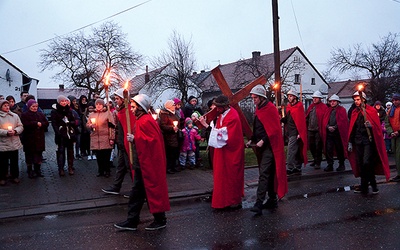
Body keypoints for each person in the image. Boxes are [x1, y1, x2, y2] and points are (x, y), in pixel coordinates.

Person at [114, 94, 170, 231]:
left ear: (140, 108)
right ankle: (136, 220)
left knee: (142, 192)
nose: (131, 109)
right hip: (143, 163)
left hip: (147, 164)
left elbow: (151, 141)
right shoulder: (143, 120)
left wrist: (135, 138)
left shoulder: (145, 121)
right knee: (140, 193)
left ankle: (140, 220)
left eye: (133, 107)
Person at [246, 85, 287, 215]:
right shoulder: (259, 109)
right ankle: (272, 199)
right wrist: (252, 139)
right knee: (269, 174)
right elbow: (258, 127)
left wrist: (263, 140)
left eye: (255, 98)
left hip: (270, 147)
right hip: (261, 146)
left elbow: (274, 130)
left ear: (262, 97)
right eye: (252, 98)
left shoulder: (271, 109)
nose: (254, 100)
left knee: (264, 174)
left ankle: (258, 203)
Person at [348, 91, 390, 194]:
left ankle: (366, 185)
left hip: (368, 141)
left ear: (363, 100)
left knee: (367, 162)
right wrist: (350, 142)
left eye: (358, 99)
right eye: (355, 100)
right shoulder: (354, 112)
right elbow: (352, 128)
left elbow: (377, 129)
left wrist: (371, 126)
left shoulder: (371, 111)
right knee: (361, 163)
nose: (356, 102)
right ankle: (370, 186)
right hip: (358, 141)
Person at [208, 95, 244, 210]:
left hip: (231, 153)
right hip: (223, 152)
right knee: (222, 178)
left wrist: (206, 126)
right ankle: (223, 201)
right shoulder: (223, 115)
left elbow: (224, 135)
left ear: (225, 106)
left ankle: (233, 201)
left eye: (219, 107)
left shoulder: (232, 116)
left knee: (231, 178)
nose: (217, 110)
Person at [102, 88, 135, 195]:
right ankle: (116, 186)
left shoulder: (128, 111)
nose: (115, 101)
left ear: (123, 99)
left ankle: (136, 189)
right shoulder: (120, 111)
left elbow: (129, 128)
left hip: (127, 145)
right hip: (122, 144)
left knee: (130, 167)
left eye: (117, 99)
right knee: (121, 167)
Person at [281, 90, 308, 175]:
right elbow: (289, 119)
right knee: (295, 151)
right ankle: (297, 167)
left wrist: (300, 133)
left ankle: (290, 167)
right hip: (289, 132)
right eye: (288, 96)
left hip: (295, 133)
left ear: (295, 97)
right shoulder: (289, 107)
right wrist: (283, 119)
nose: (289, 98)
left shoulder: (299, 107)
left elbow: (300, 121)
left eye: (291, 96)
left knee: (290, 151)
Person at [21, 99, 49, 178]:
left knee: (38, 155)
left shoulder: (40, 114)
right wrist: (35, 123)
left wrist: (42, 124)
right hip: (29, 138)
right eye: (33, 106)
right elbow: (25, 124)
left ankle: (38, 170)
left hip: (39, 138)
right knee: (29, 156)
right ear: (29, 106)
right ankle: (30, 171)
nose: (35, 108)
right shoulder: (25, 115)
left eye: (36, 106)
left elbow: (46, 123)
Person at [87, 99, 115, 177]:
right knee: (99, 156)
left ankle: (107, 170)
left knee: (106, 156)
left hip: (105, 138)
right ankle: (100, 170)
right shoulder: (92, 114)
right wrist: (90, 126)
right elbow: (87, 124)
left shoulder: (108, 114)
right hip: (96, 138)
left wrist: (112, 138)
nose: (98, 106)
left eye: (100, 104)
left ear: (103, 105)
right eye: (97, 104)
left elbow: (112, 127)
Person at [321, 94, 349, 172]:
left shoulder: (342, 110)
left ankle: (341, 164)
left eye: (334, 101)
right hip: (329, 133)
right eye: (331, 101)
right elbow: (324, 120)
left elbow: (343, 121)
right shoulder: (328, 110)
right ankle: (330, 164)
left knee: (339, 149)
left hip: (338, 133)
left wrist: (335, 127)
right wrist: (328, 126)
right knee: (328, 149)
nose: (332, 103)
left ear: (337, 102)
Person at [51, 95, 77, 176]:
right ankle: (61, 168)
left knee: (70, 151)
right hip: (60, 134)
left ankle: (70, 167)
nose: (64, 103)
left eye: (65, 101)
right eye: (62, 101)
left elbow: (74, 121)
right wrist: (58, 132)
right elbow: (54, 123)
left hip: (69, 134)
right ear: (59, 102)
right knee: (61, 151)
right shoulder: (54, 111)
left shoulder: (69, 110)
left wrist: (70, 123)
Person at [0, 99, 24, 185]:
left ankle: (15, 176)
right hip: (3, 143)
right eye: (4, 106)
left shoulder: (15, 116)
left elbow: (20, 126)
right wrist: (5, 132)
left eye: (7, 105)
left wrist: (15, 131)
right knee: (3, 162)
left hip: (14, 142)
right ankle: (2, 177)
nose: (7, 107)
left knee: (14, 161)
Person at [305, 90, 328, 169]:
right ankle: (315, 159)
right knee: (311, 146)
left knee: (318, 146)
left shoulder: (323, 107)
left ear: (320, 98)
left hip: (318, 130)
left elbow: (324, 118)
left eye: (316, 98)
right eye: (314, 98)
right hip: (310, 129)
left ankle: (318, 162)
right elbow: (307, 116)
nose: (314, 99)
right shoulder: (311, 106)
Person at [159, 100, 180, 174]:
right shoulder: (165, 114)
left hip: (175, 136)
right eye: (173, 105)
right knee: (170, 153)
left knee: (175, 152)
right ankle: (169, 168)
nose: (174, 106)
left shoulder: (174, 113)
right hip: (169, 137)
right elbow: (163, 125)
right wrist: (172, 128)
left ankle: (173, 166)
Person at [385, 93, 400, 182]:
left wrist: (398, 132)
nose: (395, 102)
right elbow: (387, 123)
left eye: (397, 100)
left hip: (398, 135)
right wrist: (391, 132)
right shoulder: (391, 111)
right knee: (396, 155)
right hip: (394, 136)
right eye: (393, 100)